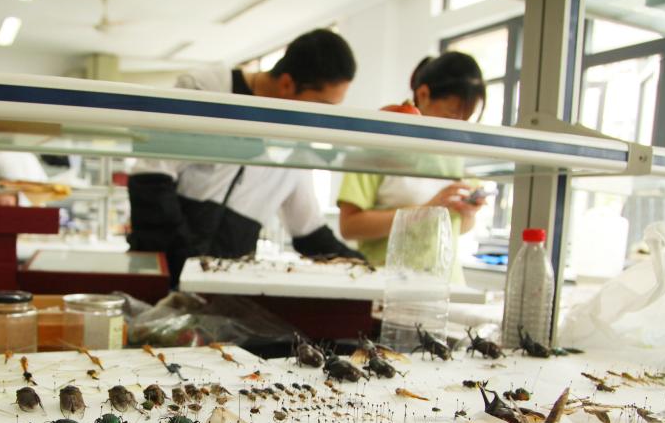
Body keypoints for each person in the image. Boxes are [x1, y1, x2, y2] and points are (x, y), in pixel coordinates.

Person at [127, 28, 363, 285]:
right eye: (322, 106)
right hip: (159, 270)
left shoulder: (295, 146)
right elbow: (150, 178)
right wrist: (183, 266)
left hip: (223, 287)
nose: (321, 120)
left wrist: (369, 268)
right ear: (287, 84)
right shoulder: (207, 89)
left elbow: (310, 234)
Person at [336, 52, 487, 278]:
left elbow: (460, 228)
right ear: (423, 94)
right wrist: (426, 210)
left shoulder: (458, 155)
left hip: (447, 283)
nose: (457, 126)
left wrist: (468, 212)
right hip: (388, 282)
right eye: (452, 115)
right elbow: (350, 227)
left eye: (466, 119)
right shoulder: (378, 146)